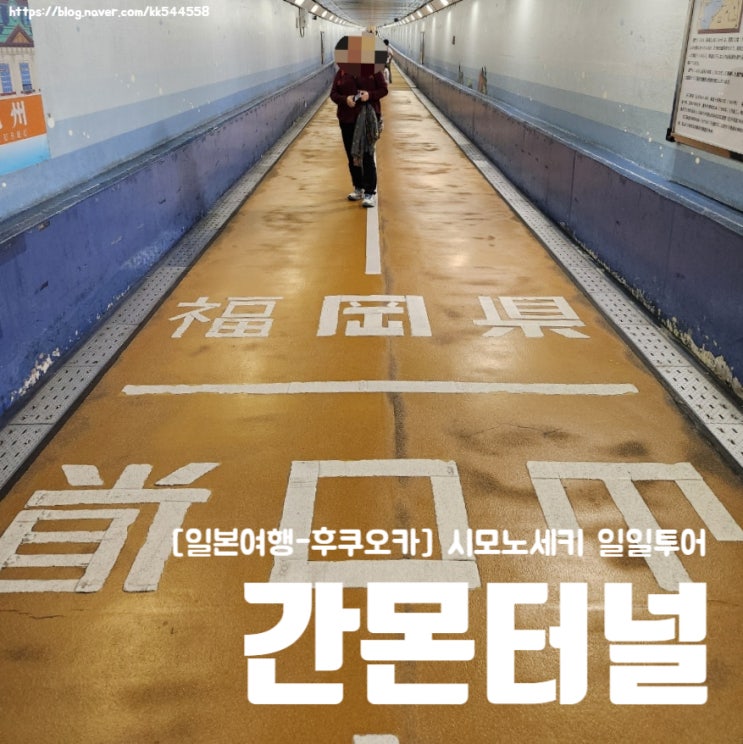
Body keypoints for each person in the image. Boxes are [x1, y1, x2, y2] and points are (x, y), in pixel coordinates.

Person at [330, 66, 388, 208]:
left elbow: (384, 89)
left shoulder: (374, 70)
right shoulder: (342, 72)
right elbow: (333, 94)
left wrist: (369, 95)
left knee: (367, 155)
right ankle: (358, 187)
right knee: (352, 155)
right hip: (347, 119)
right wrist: (345, 99)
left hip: (367, 119)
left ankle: (369, 192)